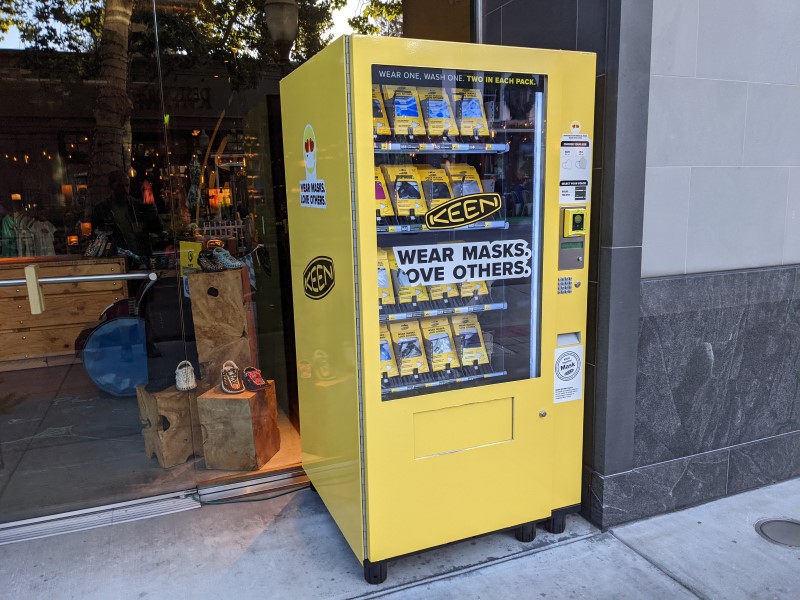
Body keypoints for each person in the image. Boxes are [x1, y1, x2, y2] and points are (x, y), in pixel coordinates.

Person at [92, 170, 163, 265]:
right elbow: (98, 239)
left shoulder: (138, 206)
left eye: (127, 185)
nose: (125, 189)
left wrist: (153, 212)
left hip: (141, 259)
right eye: (120, 186)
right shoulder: (101, 210)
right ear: (111, 186)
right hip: (118, 261)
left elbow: (157, 229)